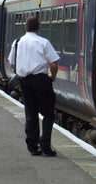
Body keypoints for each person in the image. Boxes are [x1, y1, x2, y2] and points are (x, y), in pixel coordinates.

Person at [8, 16, 60, 157]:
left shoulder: (17, 42)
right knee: (48, 114)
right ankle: (45, 145)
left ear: (26, 27)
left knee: (31, 114)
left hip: (25, 81)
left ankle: (32, 146)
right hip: (41, 80)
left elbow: (11, 63)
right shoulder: (43, 42)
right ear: (38, 27)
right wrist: (52, 76)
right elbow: (54, 64)